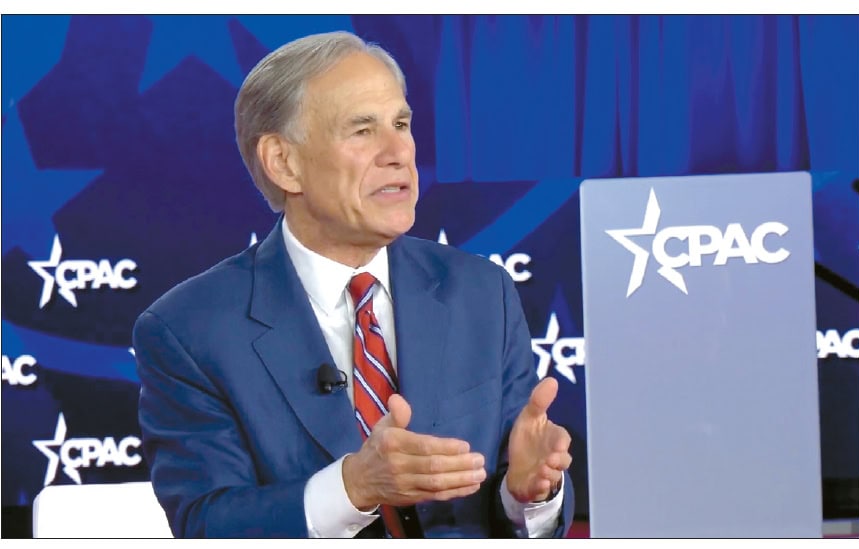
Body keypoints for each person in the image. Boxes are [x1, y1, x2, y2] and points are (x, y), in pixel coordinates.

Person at [134, 30, 574, 538]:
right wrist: (353, 488)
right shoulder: (189, 331)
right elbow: (207, 525)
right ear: (284, 163)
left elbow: (517, 492)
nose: (399, 152)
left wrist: (528, 495)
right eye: (362, 131)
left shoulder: (481, 292)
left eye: (401, 124)